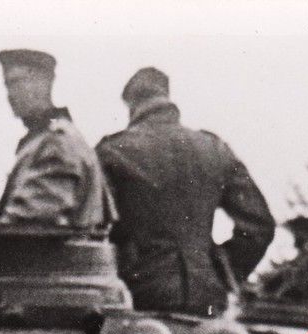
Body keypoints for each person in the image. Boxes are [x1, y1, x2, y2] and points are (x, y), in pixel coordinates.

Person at [95, 67, 275, 316]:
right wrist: (221, 270)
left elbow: (95, 227)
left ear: (131, 105)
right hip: (206, 296)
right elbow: (259, 226)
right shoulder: (214, 149)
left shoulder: (113, 151)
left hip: (138, 296)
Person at [0, 49, 110, 229]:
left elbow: (31, 224)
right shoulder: (47, 139)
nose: (10, 95)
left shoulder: (56, 143)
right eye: (7, 86)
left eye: (16, 83)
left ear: (43, 84)